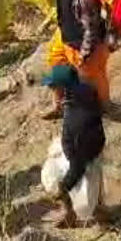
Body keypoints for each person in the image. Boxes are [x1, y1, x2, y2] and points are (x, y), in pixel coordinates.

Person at [41, 0, 110, 116]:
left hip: (83, 43)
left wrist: (84, 53)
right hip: (65, 35)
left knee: (92, 77)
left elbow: (90, 28)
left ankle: (105, 107)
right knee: (57, 67)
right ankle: (59, 105)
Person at [40, 63, 105, 227]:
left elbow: (77, 167)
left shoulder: (74, 126)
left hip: (81, 157)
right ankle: (100, 209)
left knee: (50, 176)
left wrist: (62, 189)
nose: (50, 90)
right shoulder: (87, 90)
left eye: (52, 87)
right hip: (94, 147)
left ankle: (68, 213)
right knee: (96, 177)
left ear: (62, 89)